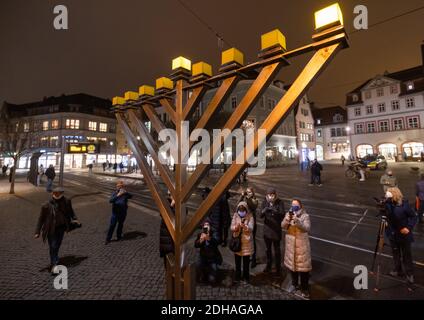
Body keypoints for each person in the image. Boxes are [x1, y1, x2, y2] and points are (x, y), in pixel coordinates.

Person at [34, 187, 79, 274]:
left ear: (61, 193)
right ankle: (54, 264)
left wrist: (75, 219)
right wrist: (37, 232)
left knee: (57, 245)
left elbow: (71, 212)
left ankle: (55, 258)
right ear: (52, 194)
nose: (56, 195)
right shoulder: (46, 205)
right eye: (55, 193)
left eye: (58, 193)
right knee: (53, 245)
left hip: (61, 227)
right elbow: (41, 219)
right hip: (50, 228)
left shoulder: (66, 201)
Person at [384, 187, 417, 288]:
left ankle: (409, 274)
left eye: (388, 193)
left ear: (394, 194)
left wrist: (408, 227)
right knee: (395, 253)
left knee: (406, 255)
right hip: (393, 235)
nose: (386, 195)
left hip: (404, 236)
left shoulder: (404, 205)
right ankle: (397, 270)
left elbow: (414, 216)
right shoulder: (388, 205)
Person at [281, 199, 312, 299]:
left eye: (296, 205)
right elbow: (283, 226)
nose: (294, 206)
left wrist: (297, 220)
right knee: (292, 267)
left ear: (300, 206)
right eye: (293, 205)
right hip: (291, 245)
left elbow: (307, 228)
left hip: (301, 246)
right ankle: (294, 285)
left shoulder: (305, 216)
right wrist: (287, 220)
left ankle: (305, 289)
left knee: (303, 270)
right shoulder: (288, 214)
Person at [260, 188, 285, 274]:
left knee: (277, 250)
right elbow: (260, 215)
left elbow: (282, 215)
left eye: (272, 195)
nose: (271, 196)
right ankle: (268, 265)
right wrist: (265, 210)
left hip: (276, 231)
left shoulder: (280, 202)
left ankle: (278, 268)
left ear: (275, 195)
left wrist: (274, 209)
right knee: (268, 250)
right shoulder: (264, 202)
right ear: (267, 195)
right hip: (267, 231)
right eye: (269, 195)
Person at [231, 201, 254, 283]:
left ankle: (246, 277)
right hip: (237, 243)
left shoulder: (250, 216)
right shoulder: (235, 215)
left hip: (246, 243)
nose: (241, 212)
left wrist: (245, 226)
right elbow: (232, 227)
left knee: (246, 263)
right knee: (237, 262)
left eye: (243, 211)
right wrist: (236, 226)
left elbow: (251, 228)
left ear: (246, 210)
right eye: (240, 211)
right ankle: (237, 276)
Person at [239, 187, 259, 268]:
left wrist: (248, 198)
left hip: (252, 223)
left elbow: (253, 206)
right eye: (247, 192)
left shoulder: (255, 200)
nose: (248, 193)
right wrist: (242, 196)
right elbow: (239, 204)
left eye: (250, 192)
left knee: (252, 240)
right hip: (244, 222)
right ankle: (246, 255)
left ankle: (253, 259)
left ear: (253, 192)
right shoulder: (244, 199)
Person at [160, 192, 175, 268]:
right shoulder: (166, 203)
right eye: (171, 195)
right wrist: (171, 206)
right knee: (168, 260)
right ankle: (168, 277)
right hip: (166, 237)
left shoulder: (181, 204)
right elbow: (163, 215)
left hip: (176, 237)